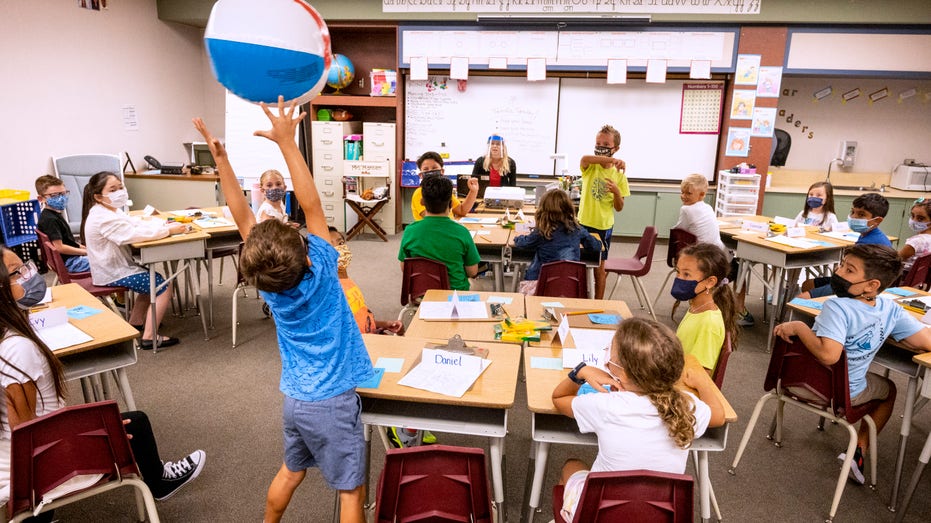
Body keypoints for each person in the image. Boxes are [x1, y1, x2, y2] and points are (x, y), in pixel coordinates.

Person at [194, 97, 372, 523]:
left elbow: (241, 216)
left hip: (295, 401)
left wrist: (222, 160)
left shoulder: (268, 286)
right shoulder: (325, 268)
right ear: (310, 256)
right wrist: (289, 144)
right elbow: (312, 206)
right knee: (351, 491)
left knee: (291, 472)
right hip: (333, 403)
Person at [0, 246, 206, 508]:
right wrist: (91, 434)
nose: (29, 274)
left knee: (128, 422)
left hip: (28, 453)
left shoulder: (10, 339)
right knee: (135, 423)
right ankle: (160, 482)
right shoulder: (17, 349)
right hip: (45, 465)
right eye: (18, 272)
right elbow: (28, 435)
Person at [774, 244, 931, 484]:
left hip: (801, 382)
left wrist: (799, 326)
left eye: (849, 270)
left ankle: (855, 451)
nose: (838, 273)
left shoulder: (835, 306)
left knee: (882, 385)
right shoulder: (891, 309)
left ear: (872, 285)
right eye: (842, 265)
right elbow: (926, 342)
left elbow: (827, 356)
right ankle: (858, 451)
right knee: (889, 390)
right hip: (846, 392)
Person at [552, 318, 725, 522]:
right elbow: (719, 416)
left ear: (623, 373)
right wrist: (704, 381)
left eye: (611, 353)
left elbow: (559, 398)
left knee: (571, 465)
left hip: (598, 515)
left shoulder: (606, 406)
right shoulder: (685, 406)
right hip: (660, 516)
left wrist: (580, 372)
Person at [80, 172, 187, 349]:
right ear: (98, 196)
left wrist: (164, 226)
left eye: (121, 187)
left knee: (151, 278)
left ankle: (135, 323)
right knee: (163, 287)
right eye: (113, 189)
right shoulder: (103, 218)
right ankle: (150, 337)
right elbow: (134, 234)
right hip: (112, 272)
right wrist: (169, 231)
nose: (120, 192)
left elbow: (134, 224)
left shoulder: (107, 211)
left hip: (114, 267)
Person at [799, 192, 893, 300]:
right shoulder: (868, 235)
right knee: (808, 284)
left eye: (861, 214)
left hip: (856, 286)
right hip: (849, 280)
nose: (853, 217)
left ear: (877, 220)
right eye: (853, 212)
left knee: (802, 298)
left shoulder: (872, 244)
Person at [512, 189, 601, 295]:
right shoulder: (577, 230)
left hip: (541, 287)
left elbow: (522, 243)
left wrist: (517, 237)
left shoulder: (541, 232)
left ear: (543, 210)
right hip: (571, 286)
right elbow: (596, 246)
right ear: (568, 208)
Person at [399, 175, 481, 291]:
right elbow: (472, 271)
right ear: (451, 203)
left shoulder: (410, 231)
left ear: (422, 202)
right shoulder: (462, 232)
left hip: (422, 294)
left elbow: (405, 268)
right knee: (478, 286)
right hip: (454, 295)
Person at [578, 124, 629, 299]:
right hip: (583, 222)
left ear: (616, 148)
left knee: (599, 267)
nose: (601, 147)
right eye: (598, 143)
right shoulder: (591, 167)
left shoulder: (620, 175)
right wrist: (611, 160)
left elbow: (620, 207)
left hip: (603, 226)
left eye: (606, 145)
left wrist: (616, 192)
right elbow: (585, 158)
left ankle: (598, 303)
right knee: (578, 262)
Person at [671, 243, 740, 374]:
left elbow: (700, 376)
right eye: (678, 272)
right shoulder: (696, 307)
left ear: (710, 282)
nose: (679, 279)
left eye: (686, 274)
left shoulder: (709, 324)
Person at [327, 227, 403, 336]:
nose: (338, 248)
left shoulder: (347, 282)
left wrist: (385, 324)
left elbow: (360, 318)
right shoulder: (330, 290)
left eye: (341, 243)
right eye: (330, 246)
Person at [34, 175, 90, 273]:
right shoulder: (50, 220)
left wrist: (85, 248)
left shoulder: (53, 214)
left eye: (63, 194)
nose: (61, 198)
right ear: (41, 199)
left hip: (70, 260)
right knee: (113, 262)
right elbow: (59, 247)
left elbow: (67, 241)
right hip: (71, 263)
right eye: (54, 195)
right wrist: (85, 252)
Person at [411, 151, 478, 221]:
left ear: (442, 171)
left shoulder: (444, 190)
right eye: (426, 169)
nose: (430, 171)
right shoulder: (419, 193)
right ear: (421, 175)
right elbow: (434, 220)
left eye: (434, 168)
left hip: (448, 227)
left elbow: (461, 211)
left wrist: (473, 191)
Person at [672, 174, 724, 250]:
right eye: (682, 192)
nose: (683, 196)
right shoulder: (708, 207)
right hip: (718, 251)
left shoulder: (686, 209)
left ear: (701, 194)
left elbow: (678, 230)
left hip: (700, 253)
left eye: (688, 193)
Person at [898, 197, 931, 273]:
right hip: (920, 278)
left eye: (920, 218)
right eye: (912, 216)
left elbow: (897, 258)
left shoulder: (916, 242)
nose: (914, 220)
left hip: (904, 277)